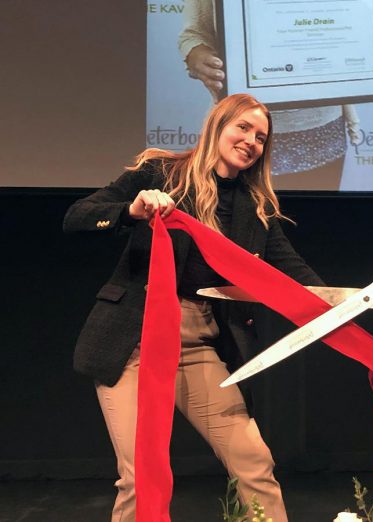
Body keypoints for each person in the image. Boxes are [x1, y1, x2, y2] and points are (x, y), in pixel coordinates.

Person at [63, 93, 323, 522]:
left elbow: (291, 269)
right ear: (217, 126)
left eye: (261, 137)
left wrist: (340, 304)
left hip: (197, 345)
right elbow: (78, 216)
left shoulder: (254, 207)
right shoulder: (161, 174)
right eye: (243, 127)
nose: (251, 141)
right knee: (140, 475)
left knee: (254, 462)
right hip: (133, 344)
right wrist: (132, 211)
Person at [178, 0, 373, 190]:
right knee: (236, 233)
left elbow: (358, 28)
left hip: (322, 131)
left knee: (317, 228)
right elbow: (194, 34)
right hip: (239, 133)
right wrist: (196, 55)